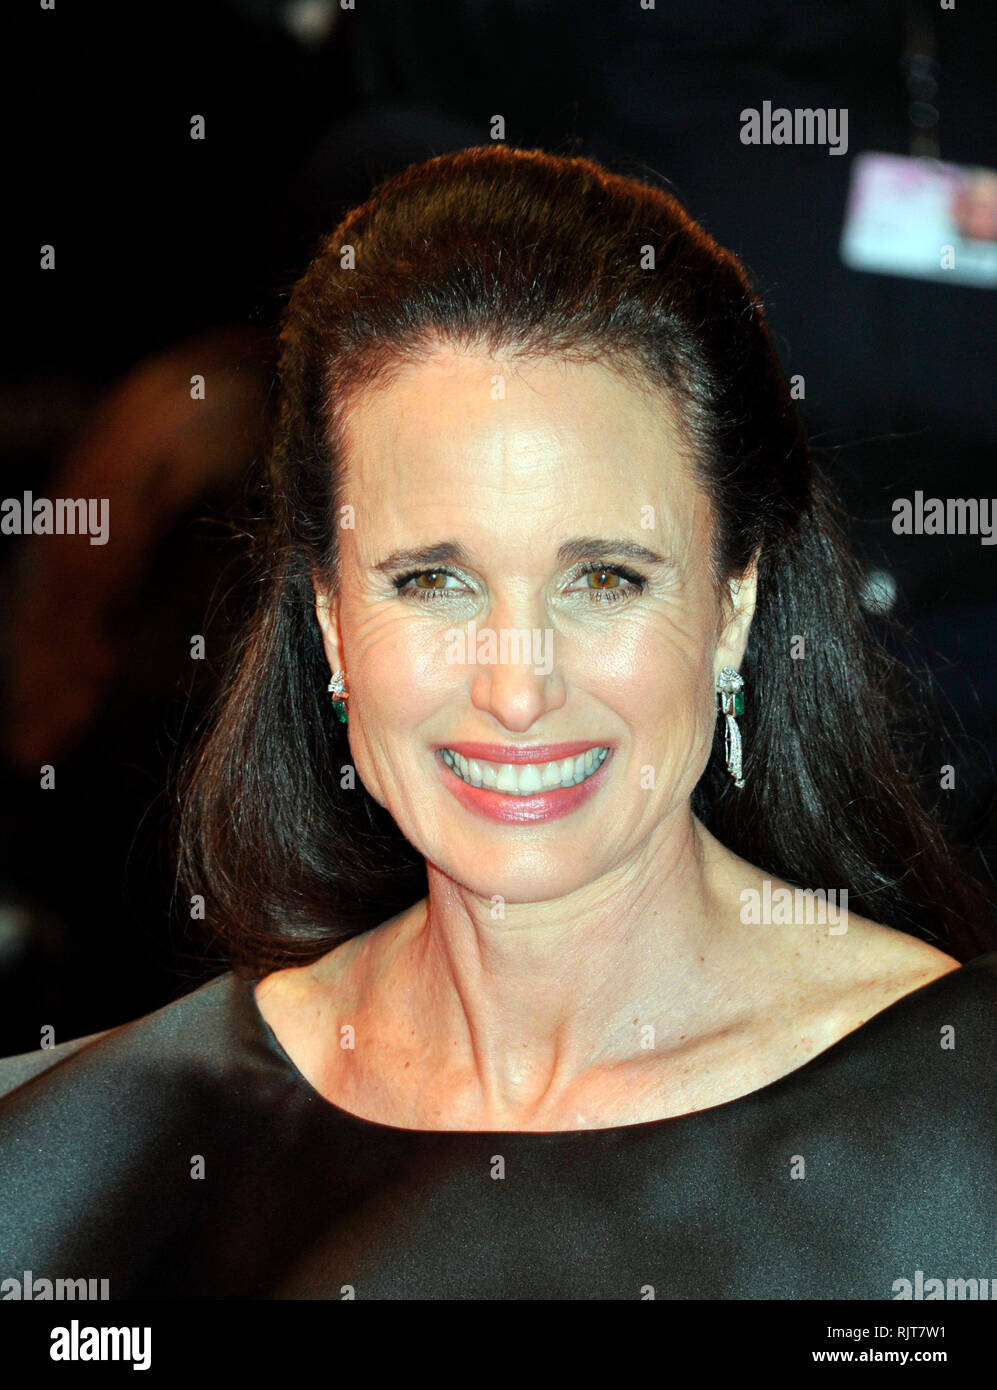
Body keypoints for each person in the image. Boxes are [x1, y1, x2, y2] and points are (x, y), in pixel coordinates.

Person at [1, 146, 994, 1301]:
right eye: (433, 580)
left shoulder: (958, 1127)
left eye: (606, 579)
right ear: (327, 617)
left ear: (734, 606)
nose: (517, 689)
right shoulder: (75, 1159)